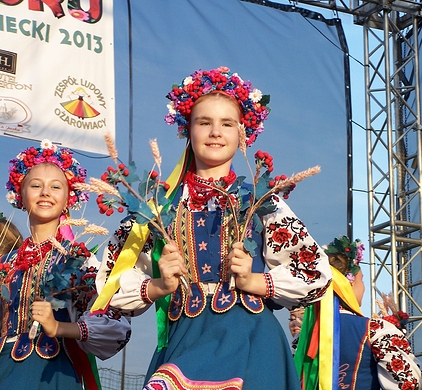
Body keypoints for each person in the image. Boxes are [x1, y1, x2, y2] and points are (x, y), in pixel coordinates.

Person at [94, 66, 332, 389]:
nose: (215, 132)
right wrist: (159, 286)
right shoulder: (158, 207)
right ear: (187, 130)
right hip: (185, 341)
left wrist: (254, 280)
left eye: (227, 124)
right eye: (204, 122)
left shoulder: (262, 203)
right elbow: (109, 281)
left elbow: (314, 273)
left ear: (242, 134)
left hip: (250, 342)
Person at [0, 140, 131, 389]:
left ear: (69, 198)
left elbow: (113, 323)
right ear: (20, 194)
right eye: (36, 185)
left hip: (53, 372)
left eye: (56, 186)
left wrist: (58, 326)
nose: (45, 192)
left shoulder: (79, 260)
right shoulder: (5, 263)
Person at [295, 235, 422, 389]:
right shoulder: (375, 330)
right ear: (347, 284)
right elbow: (411, 384)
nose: (364, 287)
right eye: (361, 280)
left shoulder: (305, 335)